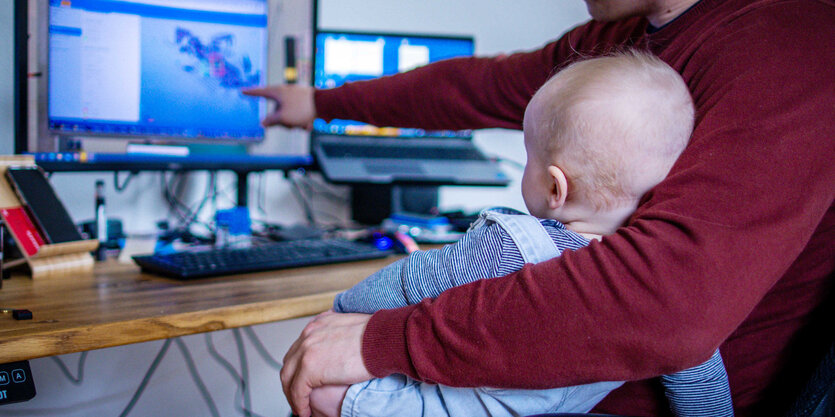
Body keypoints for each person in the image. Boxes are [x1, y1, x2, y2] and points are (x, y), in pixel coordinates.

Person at [246, 0, 835, 416]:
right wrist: (321, 102)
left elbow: (667, 307)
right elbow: (478, 88)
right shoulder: (623, 36)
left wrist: (377, 337)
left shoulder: (791, 42)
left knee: (326, 393)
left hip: (621, 398)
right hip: (610, 383)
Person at [308, 51, 732, 417]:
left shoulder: (513, 246)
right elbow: (699, 372)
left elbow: (411, 281)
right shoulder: (659, 289)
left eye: (529, 156)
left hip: (452, 405)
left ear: (554, 188)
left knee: (324, 390)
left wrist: (345, 310)